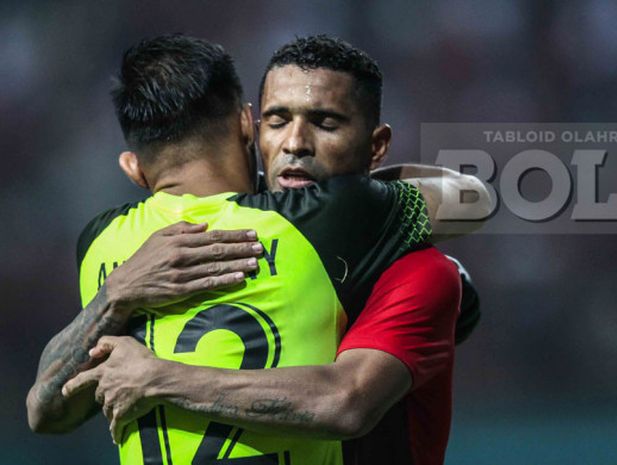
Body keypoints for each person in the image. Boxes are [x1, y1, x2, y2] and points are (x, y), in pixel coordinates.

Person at [28, 35, 488, 465]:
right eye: (278, 120)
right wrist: (357, 198)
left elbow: (44, 412)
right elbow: (472, 198)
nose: (294, 143)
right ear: (249, 125)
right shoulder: (325, 223)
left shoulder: (101, 243)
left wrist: (119, 305)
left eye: (325, 123)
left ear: (133, 167)